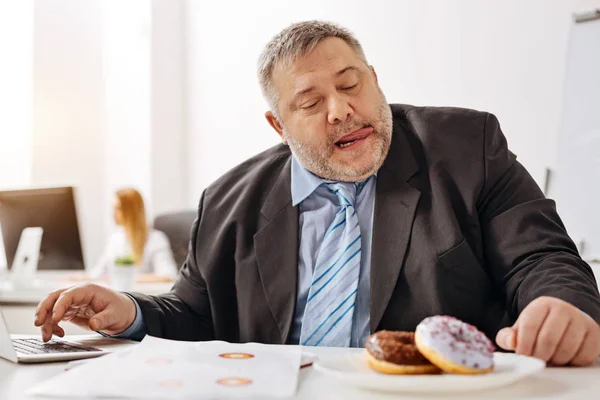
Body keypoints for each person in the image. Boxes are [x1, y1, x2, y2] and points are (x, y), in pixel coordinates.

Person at [35, 21, 600, 366]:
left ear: (375, 80)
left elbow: (541, 257)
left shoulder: (467, 146)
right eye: (310, 102)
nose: (341, 110)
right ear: (278, 126)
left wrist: (561, 305)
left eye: (352, 84)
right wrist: (131, 312)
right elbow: (194, 316)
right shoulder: (227, 201)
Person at [90, 188, 178, 281]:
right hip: (119, 291)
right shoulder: (115, 239)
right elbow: (97, 273)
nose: (113, 214)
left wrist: (124, 278)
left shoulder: (156, 239)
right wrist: (75, 277)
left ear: (132, 210)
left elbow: (168, 276)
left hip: (144, 293)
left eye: (118, 208)